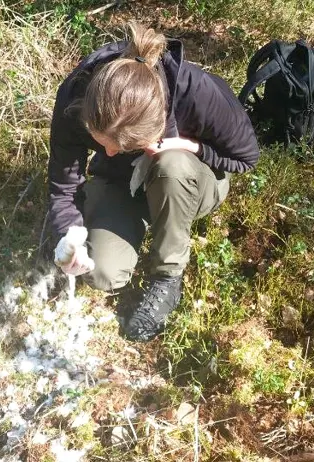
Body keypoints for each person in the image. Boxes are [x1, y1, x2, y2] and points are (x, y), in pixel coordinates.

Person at [48, 23, 260, 342]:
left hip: (188, 180)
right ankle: (131, 218)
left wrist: (190, 146)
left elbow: (246, 158)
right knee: (102, 273)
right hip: (123, 182)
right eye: (102, 143)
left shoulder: (197, 92)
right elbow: (64, 184)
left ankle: (167, 278)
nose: (107, 152)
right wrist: (68, 235)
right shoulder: (76, 97)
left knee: (171, 165)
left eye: (121, 146)